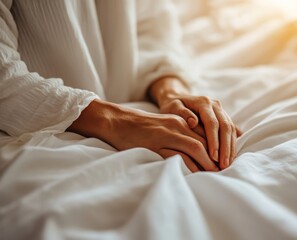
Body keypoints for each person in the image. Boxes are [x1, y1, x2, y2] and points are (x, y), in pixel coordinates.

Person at [0, 0, 240, 172]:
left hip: (127, 101)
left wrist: (171, 91)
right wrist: (116, 121)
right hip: (25, 134)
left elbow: (151, 23)